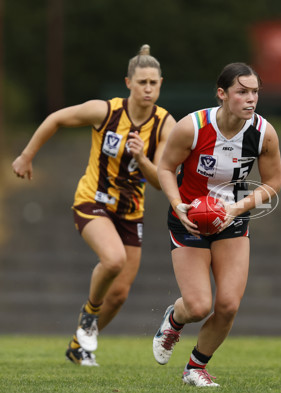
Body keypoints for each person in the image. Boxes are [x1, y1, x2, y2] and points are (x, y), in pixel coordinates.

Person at [11, 45, 176, 366]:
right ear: (128, 83)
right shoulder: (105, 111)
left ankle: (78, 344)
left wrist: (141, 157)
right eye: (142, 82)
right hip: (93, 201)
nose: (148, 89)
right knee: (112, 260)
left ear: (160, 84)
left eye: (154, 83)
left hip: (131, 212)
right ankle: (88, 314)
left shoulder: (165, 125)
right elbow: (56, 118)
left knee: (119, 294)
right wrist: (26, 155)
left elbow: (159, 180)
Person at [152, 62, 281, 387]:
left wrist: (237, 208)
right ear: (222, 94)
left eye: (255, 92)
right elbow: (165, 168)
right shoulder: (192, 127)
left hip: (231, 220)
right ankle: (174, 318)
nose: (251, 99)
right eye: (242, 92)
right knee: (198, 306)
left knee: (227, 305)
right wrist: (177, 205)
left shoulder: (263, 133)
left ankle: (195, 367)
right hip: (190, 219)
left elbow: (274, 182)